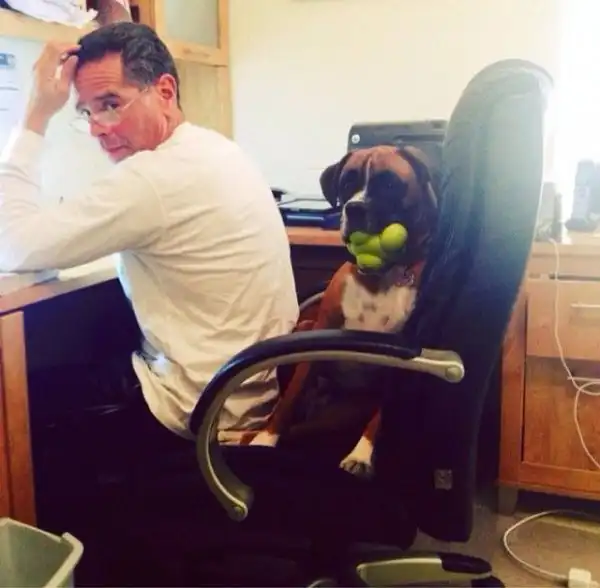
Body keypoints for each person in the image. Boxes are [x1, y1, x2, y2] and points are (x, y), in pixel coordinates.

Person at [0, 22, 298, 440]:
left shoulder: (152, 178)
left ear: (165, 91)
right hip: (248, 391)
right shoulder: (213, 148)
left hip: (196, 405)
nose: (97, 127)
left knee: (20, 397)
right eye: (86, 112)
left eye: (110, 104)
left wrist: (36, 112)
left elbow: (12, 244)